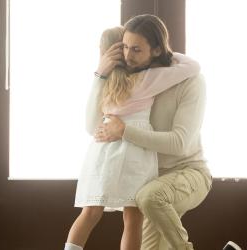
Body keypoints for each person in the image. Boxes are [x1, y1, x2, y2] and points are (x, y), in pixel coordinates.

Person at [94, 14, 236, 250]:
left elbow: (179, 143)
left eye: (137, 49)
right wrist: (99, 74)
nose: (128, 57)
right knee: (149, 203)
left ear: (157, 49)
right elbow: (92, 125)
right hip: (151, 180)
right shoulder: (133, 81)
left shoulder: (191, 82)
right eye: (125, 48)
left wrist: (124, 131)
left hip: (189, 172)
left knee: (150, 197)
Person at [64, 26, 200, 250]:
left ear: (105, 52)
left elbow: (90, 126)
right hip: (134, 152)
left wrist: (100, 70)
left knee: (90, 212)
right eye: (126, 47)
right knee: (133, 218)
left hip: (103, 151)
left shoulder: (104, 82)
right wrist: (161, 53)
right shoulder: (146, 80)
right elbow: (193, 66)